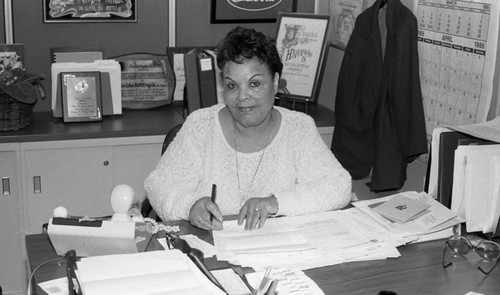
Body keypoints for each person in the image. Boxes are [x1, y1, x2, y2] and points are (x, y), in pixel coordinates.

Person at [144, 26, 351, 231]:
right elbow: (158, 185)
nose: (242, 97)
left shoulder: (299, 128)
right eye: (232, 85)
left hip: (279, 254)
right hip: (210, 251)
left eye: (254, 84)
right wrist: (190, 207)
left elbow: (338, 185)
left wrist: (275, 203)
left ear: (275, 82)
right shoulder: (201, 126)